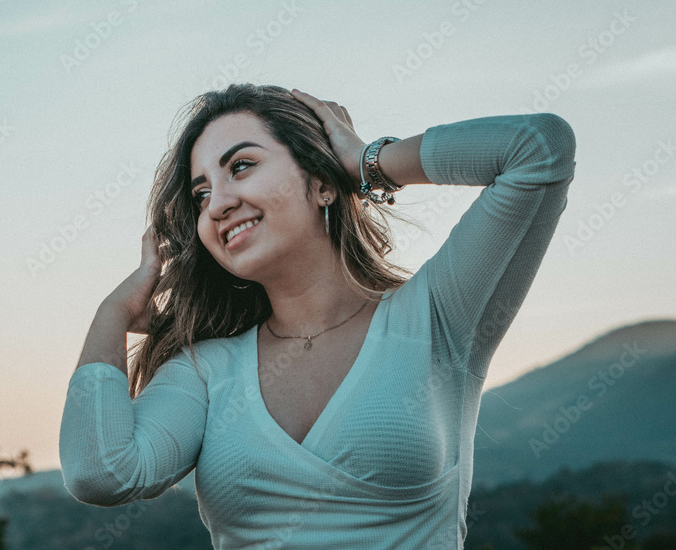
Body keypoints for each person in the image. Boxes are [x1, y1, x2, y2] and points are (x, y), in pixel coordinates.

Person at [59, 83, 577, 548]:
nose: (217, 203)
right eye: (201, 194)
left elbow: (539, 149)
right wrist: (113, 312)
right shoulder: (205, 371)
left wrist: (368, 160)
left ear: (321, 183)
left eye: (241, 166)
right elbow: (101, 473)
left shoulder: (437, 318)